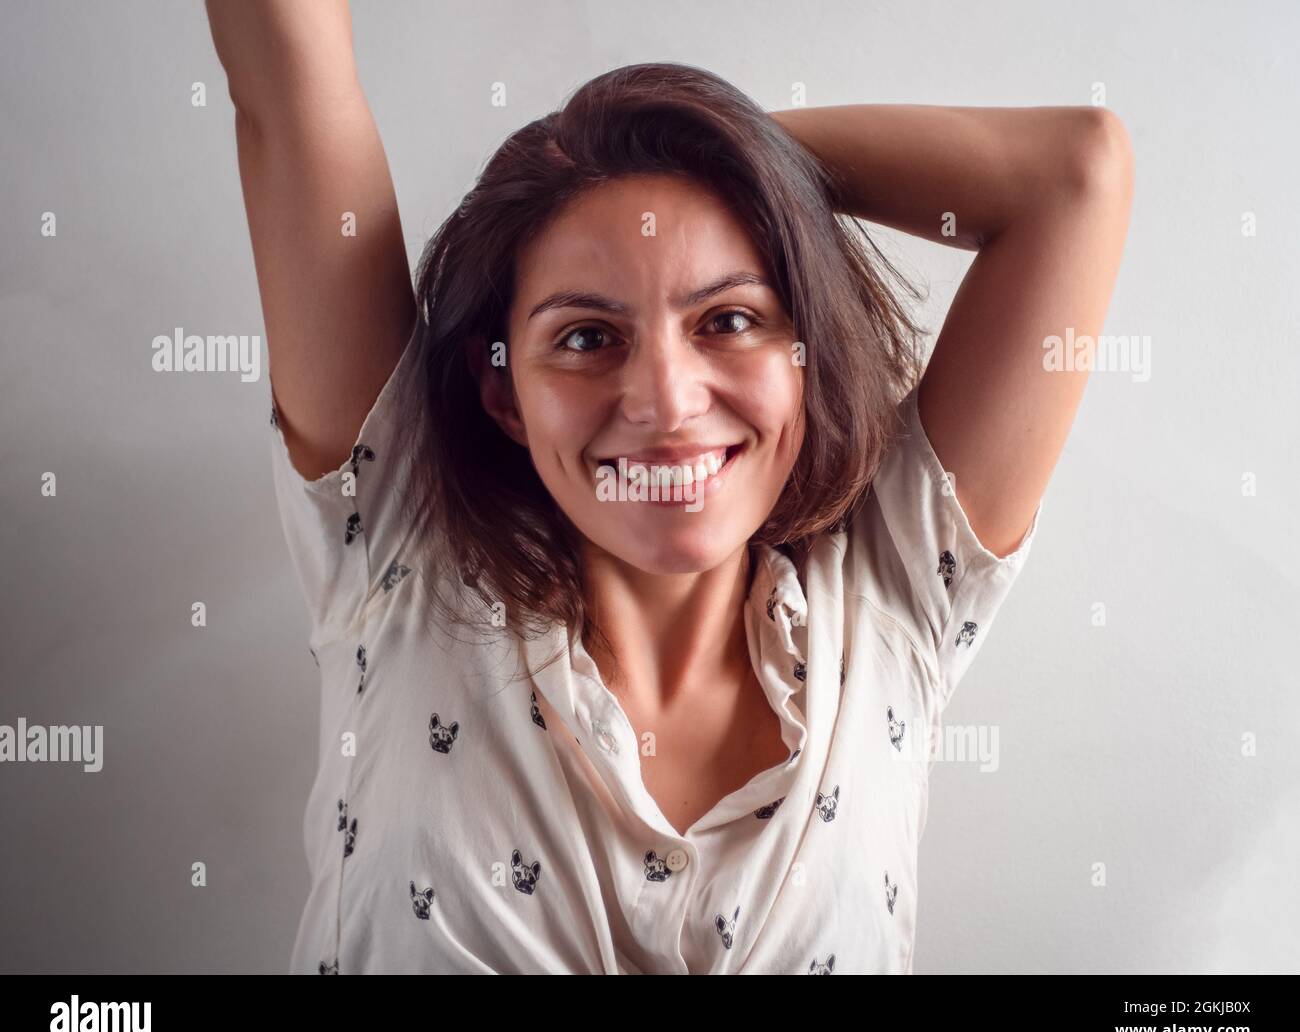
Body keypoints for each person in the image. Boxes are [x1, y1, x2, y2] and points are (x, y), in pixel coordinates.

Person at [205, 0, 1133, 974]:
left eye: (728, 321)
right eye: (585, 338)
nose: (664, 401)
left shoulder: (895, 583)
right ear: (503, 393)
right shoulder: (397, 543)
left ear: (805, 355)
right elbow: (284, 61)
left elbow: (1076, 175)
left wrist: (724, 155)